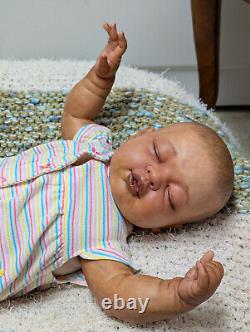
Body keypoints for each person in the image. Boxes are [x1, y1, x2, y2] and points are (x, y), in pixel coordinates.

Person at [0, 23, 233, 324]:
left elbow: (119, 294)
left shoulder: (105, 238)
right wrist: (101, 78)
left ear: (161, 228)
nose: (154, 176)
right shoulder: (95, 142)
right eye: (157, 153)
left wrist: (178, 295)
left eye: (170, 197)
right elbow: (75, 113)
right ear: (142, 133)